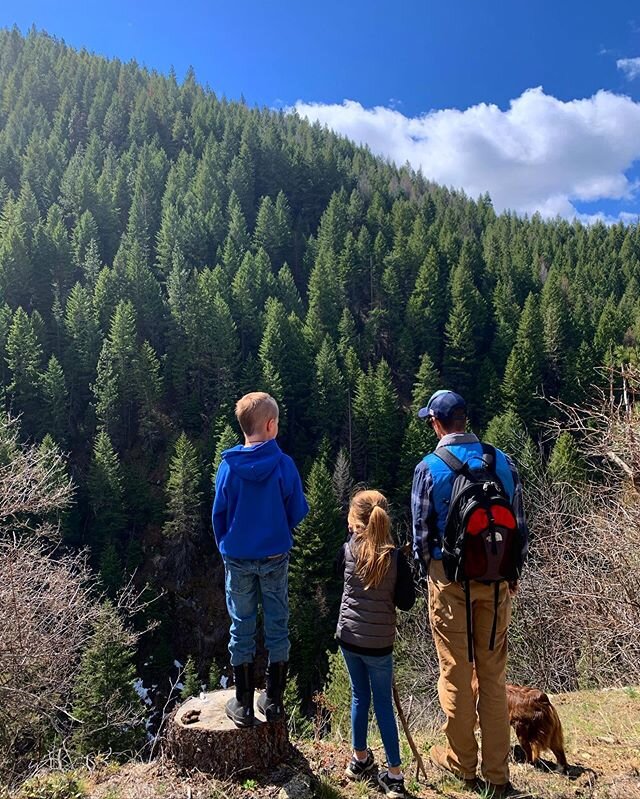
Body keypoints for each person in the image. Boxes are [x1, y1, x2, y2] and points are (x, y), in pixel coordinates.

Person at [411, 390, 528, 799]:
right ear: (466, 418)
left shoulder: (429, 468)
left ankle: (464, 766)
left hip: (449, 581)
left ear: (437, 424)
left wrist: (432, 575)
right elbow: (519, 525)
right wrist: (511, 574)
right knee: (493, 678)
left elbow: (421, 539)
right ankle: (498, 776)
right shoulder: (502, 462)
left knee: (456, 674)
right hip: (496, 581)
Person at [212, 392, 309, 727]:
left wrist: (226, 545)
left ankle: (242, 703)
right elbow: (297, 510)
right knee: (277, 623)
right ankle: (274, 701)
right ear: (271, 426)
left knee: (242, 624)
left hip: (237, 557)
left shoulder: (228, 466)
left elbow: (219, 514)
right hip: (274, 556)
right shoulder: (283, 465)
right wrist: (277, 529)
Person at [336, 490, 415, 799]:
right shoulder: (394, 557)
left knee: (359, 696)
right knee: (382, 703)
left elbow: (337, 581)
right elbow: (406, 602)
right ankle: (394, 775)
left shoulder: (346, 551)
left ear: (356, 521)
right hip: (379, 642)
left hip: (349, 636)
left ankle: (359, 760)